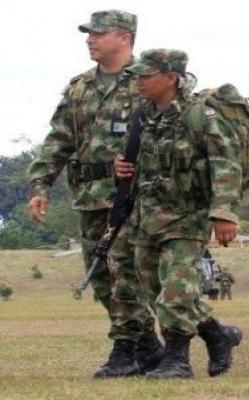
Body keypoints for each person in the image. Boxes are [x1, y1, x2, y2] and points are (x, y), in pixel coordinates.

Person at [26, 10, 162, 378]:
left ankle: (125, 350)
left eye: (99, 34)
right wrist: (40, 185)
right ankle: (148, 346)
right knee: (101, 278)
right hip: (89, 196)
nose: (90, 40)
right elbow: (59, 139)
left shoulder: (149, 83)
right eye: (89, 34)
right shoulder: (80, 87)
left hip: (132, 197)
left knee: (125, 275)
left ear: (125, 37)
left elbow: (171, 134)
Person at [114, 49, 243, 379]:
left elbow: (226, 165)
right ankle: (218, 334)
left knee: (175, 289)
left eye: (146, 75)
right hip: (147, 217)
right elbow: (142, 164)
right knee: (155, 290)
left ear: (171, 77)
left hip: (187, 217)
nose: (138, 81)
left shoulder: (202, 116)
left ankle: (177, 360)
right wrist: (121, 167)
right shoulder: (144, 117)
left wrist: (225, 212)